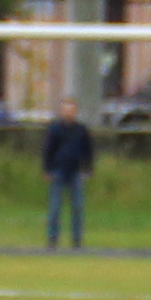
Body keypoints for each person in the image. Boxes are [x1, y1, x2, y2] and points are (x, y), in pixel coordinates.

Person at [41, 104, 96, 252]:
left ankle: (77, 240)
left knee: (77, 207)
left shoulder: (81, 130)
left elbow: (88, 151)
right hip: (58, 171)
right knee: (55, 207)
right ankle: (52, 239)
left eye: (71, 111)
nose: (68, 113)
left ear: (75, 112)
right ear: (62, 112)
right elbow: (48, 150)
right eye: (66, 111)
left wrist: (88, 169)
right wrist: (47, 169)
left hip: (76, 171)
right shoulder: (55, 129)